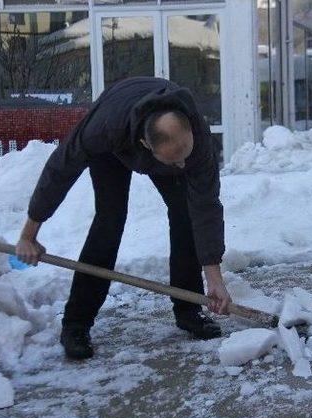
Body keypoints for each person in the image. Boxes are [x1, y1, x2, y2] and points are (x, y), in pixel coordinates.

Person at [15, 77, 232, 360]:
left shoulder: (198, 143)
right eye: (174, 161)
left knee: (186, 215)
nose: (182, 166)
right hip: (113, 145)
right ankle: (76, 324)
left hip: (155, 139)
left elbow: (206, 207)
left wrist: (213, 278)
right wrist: (28, 235)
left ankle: (188, 309)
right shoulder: (101, 128)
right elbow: (59, 172)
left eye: (185, 157)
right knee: (109, 219)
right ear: (145, 145)